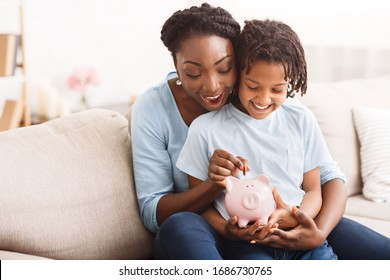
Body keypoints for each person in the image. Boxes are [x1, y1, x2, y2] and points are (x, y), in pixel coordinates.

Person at [130, 2, 390, 259]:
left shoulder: (267, 99)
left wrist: (317, 230)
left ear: (240, 61)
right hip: (213, 229)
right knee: (181, 225)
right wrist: (216, 186)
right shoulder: (158, 109)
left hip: (287, 218)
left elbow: (324, 177)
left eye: (224, 68)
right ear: (176, 65)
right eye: (192, 72)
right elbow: (153, 209)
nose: (212, 86)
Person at [176, 19, 338, 260]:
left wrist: (297, 216)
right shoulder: (205, 129)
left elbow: (314, 189)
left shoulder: (300, 118)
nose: (263, 99)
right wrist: (227, 232)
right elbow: (201, 204)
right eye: (253, 86)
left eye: (277, 90)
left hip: (302, 240)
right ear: (238, 75)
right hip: (248, 245)